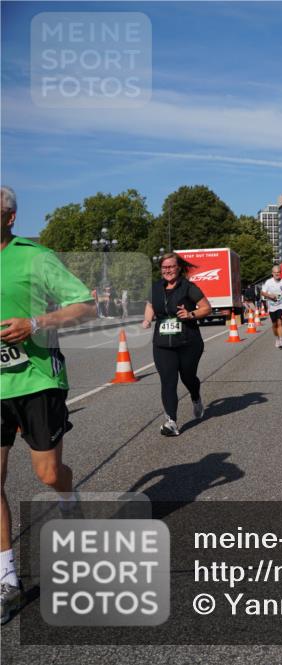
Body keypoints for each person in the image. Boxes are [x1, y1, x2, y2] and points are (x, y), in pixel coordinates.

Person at [1, 185, 97, 624]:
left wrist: (35, 323)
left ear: (9, 218)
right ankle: (7, 580)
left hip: (38, 379)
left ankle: (68, 496)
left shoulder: (35, 257)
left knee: (47, 473)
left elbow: (86, 306)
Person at [142, 253, 212, 436]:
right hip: (163, 343)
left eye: (171, 267)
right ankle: (171, 421)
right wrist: (147, 320)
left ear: (178, 267)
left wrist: (191, 315)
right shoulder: (155, 287)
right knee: (168, 380)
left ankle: (195, 398)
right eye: (164, 268)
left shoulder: (189, 287)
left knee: (188, 377)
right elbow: (150, 305)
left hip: (188, 341)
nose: (168, 271)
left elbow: (206, 307)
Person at [261, 266, 282, 349]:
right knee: (274, 324)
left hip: (281, 305)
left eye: (278, 272)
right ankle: (277, 338)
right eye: (275, 272)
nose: (277, 274)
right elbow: (262, 292)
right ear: (272, 273)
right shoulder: (268, 282)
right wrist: (270, 295)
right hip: (272, 306)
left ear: (280, 273)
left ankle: (281, 339)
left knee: (280, 322)